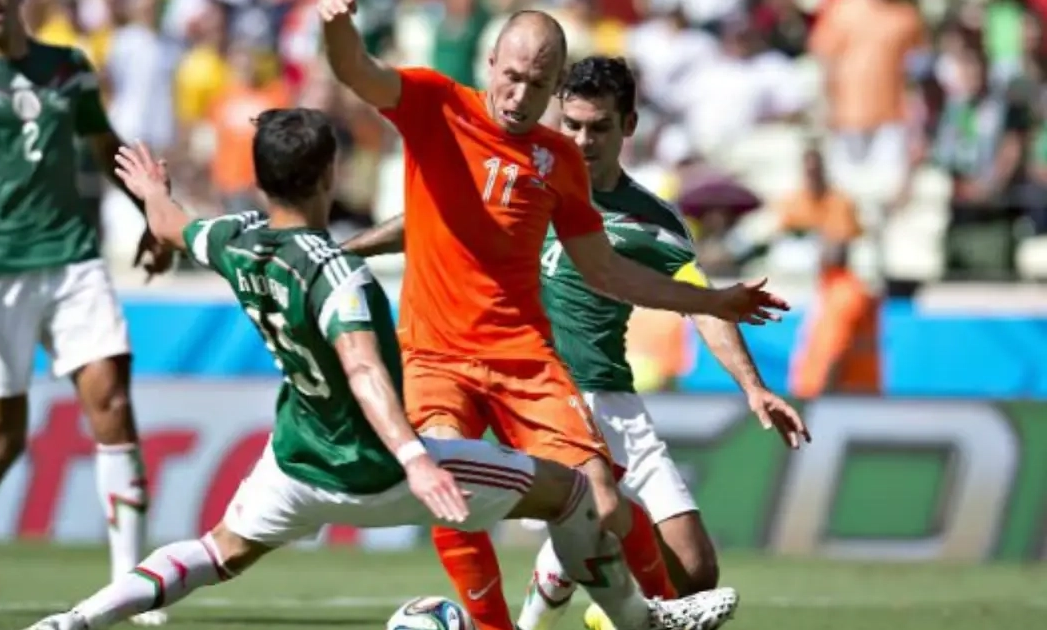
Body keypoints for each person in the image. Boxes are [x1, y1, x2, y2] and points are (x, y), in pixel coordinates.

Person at [24, 108, 740, 630]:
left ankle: (77, 619)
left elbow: (172, 225)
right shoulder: (339, 275)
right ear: (327, 176)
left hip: (295, 464)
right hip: (382, 470)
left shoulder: (237, 241)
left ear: (263, 180)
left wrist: (153, 190)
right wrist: (415, 458)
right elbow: (366, 372)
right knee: (575, 492)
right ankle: (643, 623)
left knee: (218, 552)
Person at [325, 6, 787, 630]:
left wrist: (718, 315)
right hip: (443, 355)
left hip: (541, 368)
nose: (521, 98)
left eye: (538, 86)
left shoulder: (571, 172)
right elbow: (362, 79)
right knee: (452, 483)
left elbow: (615, 273)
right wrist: (336, 25)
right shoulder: (443, 107)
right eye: (513, 79)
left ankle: (644, 611)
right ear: (492, 63)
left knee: (628, 521)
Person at [0, 0, 172, 622]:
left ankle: (130, 586)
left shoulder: (69, 66)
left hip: (74, 262)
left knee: (113, 403)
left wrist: (154, 214)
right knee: (2, 443)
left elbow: (104, 145)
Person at [511, 55, 812, 630]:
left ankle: (604, 616)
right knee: (593, 513)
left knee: (694, 574)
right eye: (572, 125)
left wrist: (753, 387)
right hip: (545, 394)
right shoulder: (523, 185)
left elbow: (701, 302)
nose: (583, 140)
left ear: (629, 125)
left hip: (613, 399)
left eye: (599, 127)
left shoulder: (651, 220)